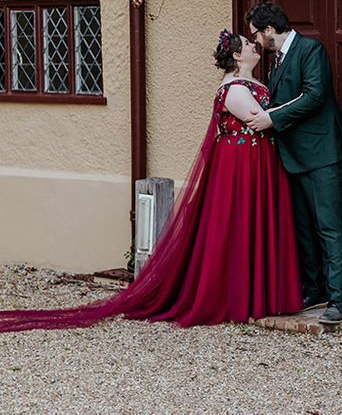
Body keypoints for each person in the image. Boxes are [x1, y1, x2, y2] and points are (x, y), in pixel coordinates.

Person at [0, 31, 303, 332]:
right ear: (237, 56)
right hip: (240, 164)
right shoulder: (234, 88)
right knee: (238, 222)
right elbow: (258, 118)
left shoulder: (255, 82)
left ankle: (261, 292)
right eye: (248, 44)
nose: (254, 46)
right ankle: (239, 296)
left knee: (256, 220)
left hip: (259, 160)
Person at [245, 3, 342, 324]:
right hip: (293, 157)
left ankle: (338, 300)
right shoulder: (276, 61)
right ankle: (314, 289)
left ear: (268, 31)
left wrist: (270, 118)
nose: (254, 41)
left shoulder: (310, 49)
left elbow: (314, 95)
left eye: (255, 34)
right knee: (304, 229)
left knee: (329, 228)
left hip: (322, 154)